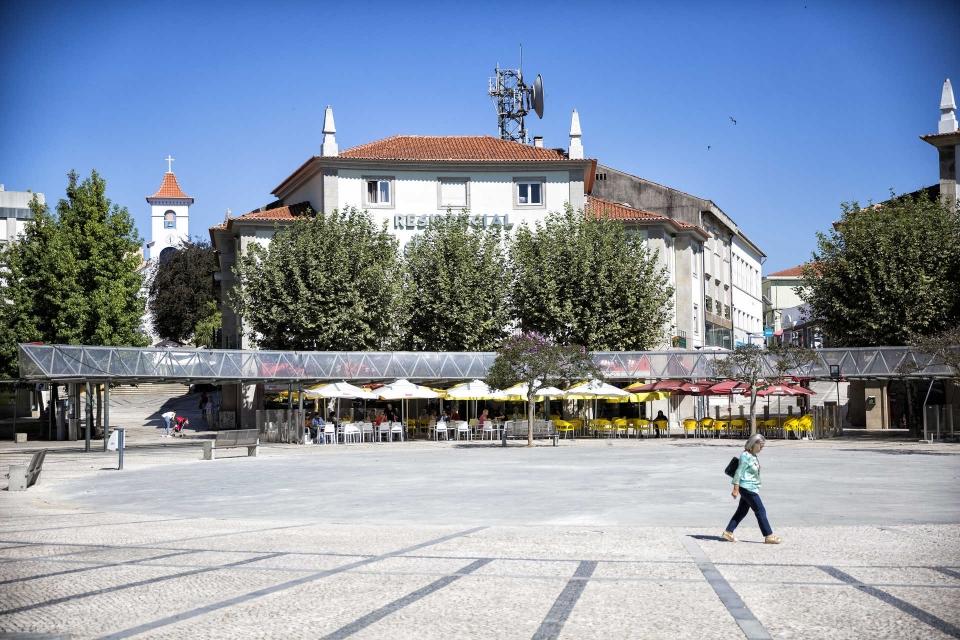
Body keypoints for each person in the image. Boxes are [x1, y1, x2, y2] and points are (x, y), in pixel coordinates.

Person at [723, 434, 781, 544]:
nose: (762, 448)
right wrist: (735, 488)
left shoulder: (753, 455)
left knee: (741, 511)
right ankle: (769, 535)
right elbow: (738, 472)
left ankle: (728, 532)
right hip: (747, 487)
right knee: (760, 510)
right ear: (754, 444)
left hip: (751, 487)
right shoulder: (745, 456)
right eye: (761, 446)